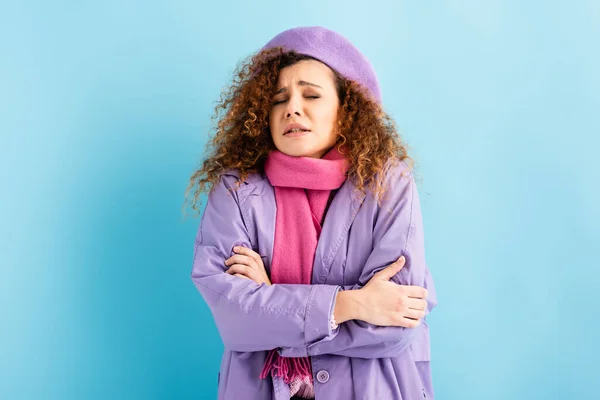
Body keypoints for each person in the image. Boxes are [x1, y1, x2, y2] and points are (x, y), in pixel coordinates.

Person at [186, 26, 437, 400]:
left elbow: (396, 324)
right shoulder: (236, 189)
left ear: (346, 110)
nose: (292, 108)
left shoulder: (388, 183)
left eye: (312, 95)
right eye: (278, 99)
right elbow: (234, 319)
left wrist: (271, 299)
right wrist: (351, 304)